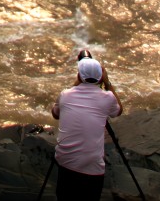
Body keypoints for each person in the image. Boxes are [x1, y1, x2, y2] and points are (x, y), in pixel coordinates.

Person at [50, 54, 123, 201]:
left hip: (66, 163)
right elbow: (118, 111)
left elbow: (55, 114)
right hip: (92, 168)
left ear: (79, 75)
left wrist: (77, 83)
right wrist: (107, 83)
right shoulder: (107, 97)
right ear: (100, 77)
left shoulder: (65, 95)